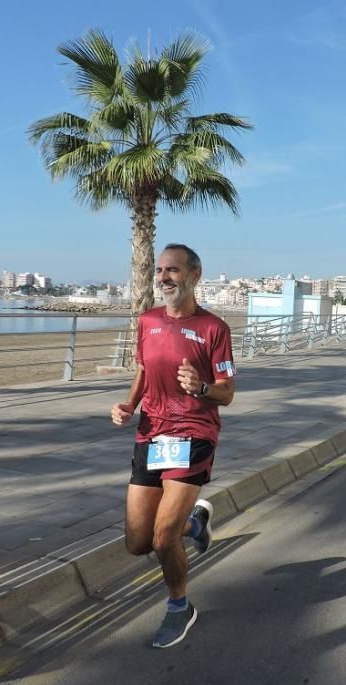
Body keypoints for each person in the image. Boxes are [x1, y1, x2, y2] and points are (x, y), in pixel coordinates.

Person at [111, 243, 236, 648]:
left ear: (195, 275)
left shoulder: (214, 329)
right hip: (150, 433)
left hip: (194, 433)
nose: (163, 277)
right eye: (160, 271)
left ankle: (180, 607)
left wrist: (200, 388)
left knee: (164, 539)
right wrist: (129, 405)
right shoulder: (147, 321)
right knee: (137, 542)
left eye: (173, 271)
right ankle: (195, 523)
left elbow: (227, 392)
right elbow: (145, 371)